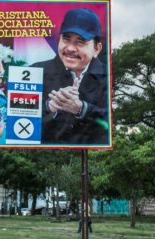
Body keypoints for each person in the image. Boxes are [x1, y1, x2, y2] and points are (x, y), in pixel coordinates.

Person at [32, 8, 108, 144]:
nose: (70, 48)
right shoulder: (35, 71)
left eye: (80, 42)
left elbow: (113, 121)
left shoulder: (108, 77)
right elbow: (16, 117)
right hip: (39, 158)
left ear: (97, 49)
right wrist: (49, 107)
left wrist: (81, 108)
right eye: (66, 39)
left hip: (96, 157)